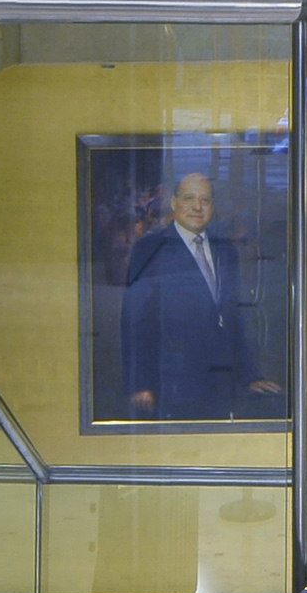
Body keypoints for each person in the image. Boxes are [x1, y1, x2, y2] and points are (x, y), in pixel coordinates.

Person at [118, 170, 280, 420]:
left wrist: (250, 376)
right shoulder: (150, 248)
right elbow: (134, 320)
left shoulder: (225, 249)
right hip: (170, 385)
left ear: (212, 206)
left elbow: (231, 318)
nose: (197, 207)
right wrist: (139, 383)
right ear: (174, 203)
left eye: (205, 200)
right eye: (189, 198)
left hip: (221, 386)